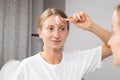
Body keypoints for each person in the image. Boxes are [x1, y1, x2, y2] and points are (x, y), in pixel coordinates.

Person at [15, 8, 112, 80]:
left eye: (62, 29)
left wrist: (91, 26)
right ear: (40, 33)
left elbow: (115, 46)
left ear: (67, 33)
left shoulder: (78, 60)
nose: (56, 35)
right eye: (50, 28)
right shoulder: (27, 66)